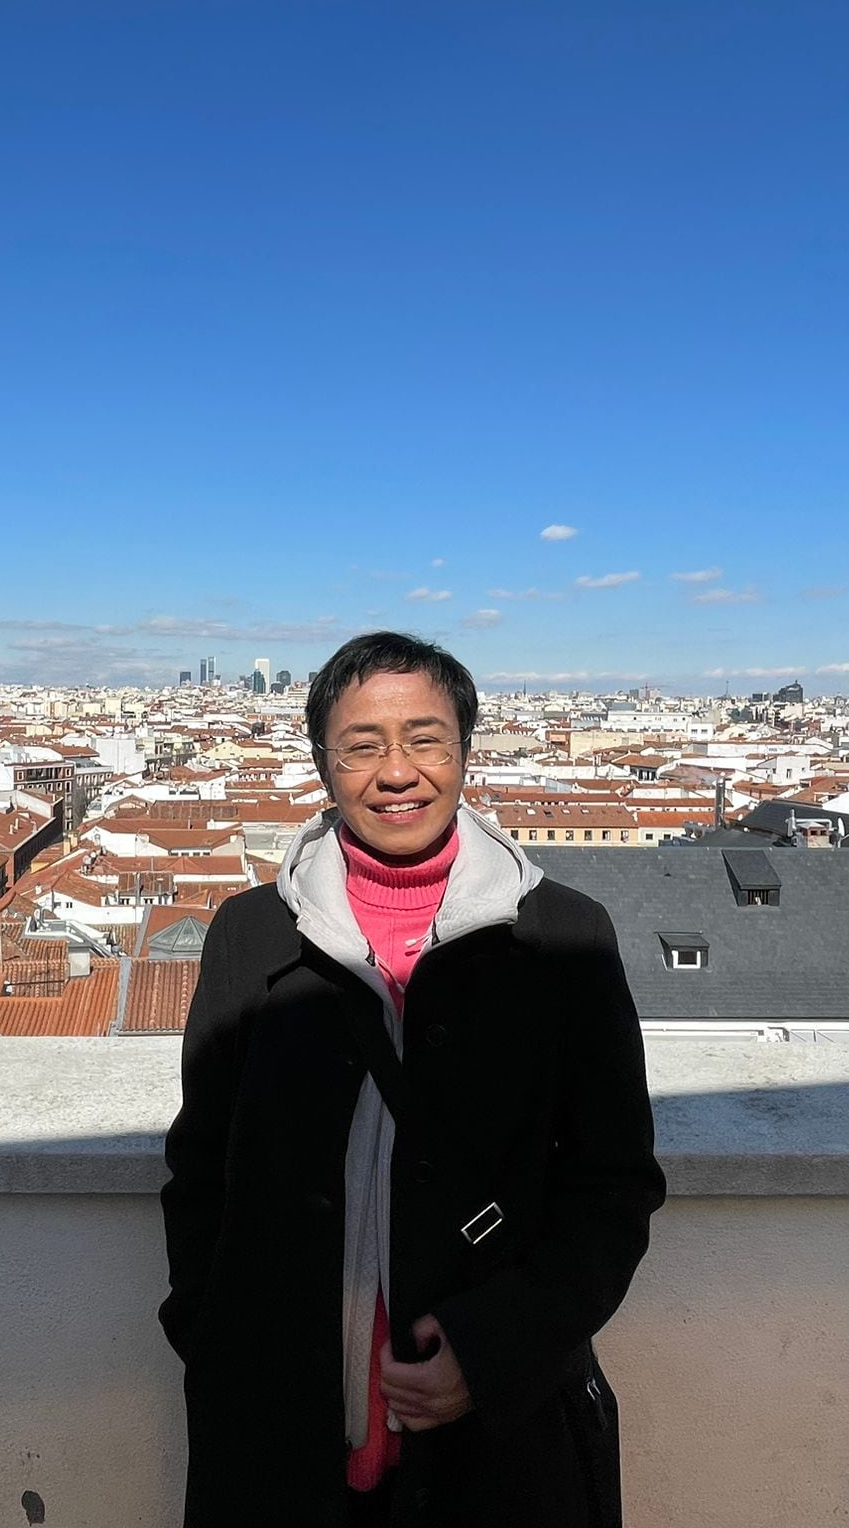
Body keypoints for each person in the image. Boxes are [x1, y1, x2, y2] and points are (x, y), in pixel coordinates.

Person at [159, 630, 665, 1527]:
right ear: (323, 766)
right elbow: (202, 1167)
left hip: (499, 1441)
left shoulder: (566, 938)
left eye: (425, 739)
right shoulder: (249, 936)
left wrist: (498, 1351)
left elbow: (613, 1185)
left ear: (466, 751)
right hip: (277, 1434)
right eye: (363, 746)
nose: (398, 771)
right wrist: (211, 1338)